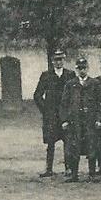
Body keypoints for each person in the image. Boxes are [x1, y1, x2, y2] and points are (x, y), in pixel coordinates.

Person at [60, 57, 101, 182]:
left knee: (92, 147)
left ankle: (92, 174)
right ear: (76, 69)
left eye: (84, 68)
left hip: (90, 121)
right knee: (74, 148)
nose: (82, 71)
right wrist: (65, 120)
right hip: (75, 122)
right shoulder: (70, 84)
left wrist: (99, 119)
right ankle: (74, 175)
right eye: (79, 68)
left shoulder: (95, 84)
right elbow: (64, 104)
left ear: (88, 69)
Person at [32, 48, 76, 178]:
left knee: (68, 141)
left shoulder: (70, 75)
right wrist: (45, 110)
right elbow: (37, 95)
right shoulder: (46, 75)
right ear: (52, 61)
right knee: (51, 142)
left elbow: (74, 95)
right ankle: (49, 169)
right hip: (51, 115)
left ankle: (68, 168)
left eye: (61, 59)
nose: (58, 62)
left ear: (64, 60)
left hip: (66, 114)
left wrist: (71, 109)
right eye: (56, 60)